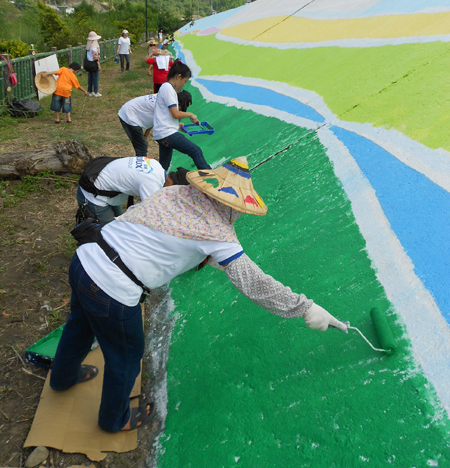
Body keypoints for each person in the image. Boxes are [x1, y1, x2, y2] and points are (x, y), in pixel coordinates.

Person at [49, 156, 345, 433]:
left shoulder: (171, 193)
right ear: (237, 205)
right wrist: (305, 308)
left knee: (80, 324)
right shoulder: (220, 234)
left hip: (85, 259)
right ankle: (115, 420)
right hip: (113, 290)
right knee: (126, 356)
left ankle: (62, 378)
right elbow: (255, 284)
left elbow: (154, 232)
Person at [76, 156, 189, 224]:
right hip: (95, 195)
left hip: (108, 187)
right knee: (108, 231)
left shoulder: (156, 166)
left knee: (120, 220)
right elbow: (152, 215)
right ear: (173, 185)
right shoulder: (151, 183)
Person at [152, 60, 211, 171]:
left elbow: (166, 114)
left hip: (162, 134)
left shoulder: (166, 88)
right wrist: (191, 114)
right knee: (195, 151)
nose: (184, 84)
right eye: (184, 81)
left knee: (163, 166)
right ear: (179, 76)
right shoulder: (168, 89)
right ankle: (210, 178)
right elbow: (175, 113)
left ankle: (158, 184)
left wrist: (176, 125)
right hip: (167, 133)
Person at [118, 91, 190, 156]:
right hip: (129, 115)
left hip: (128, 110)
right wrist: (189, 116)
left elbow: (155, 120)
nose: (179, 110)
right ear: (178, 103)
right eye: (181, 108)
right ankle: (140, 168)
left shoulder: (166, 98)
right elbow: (163, 125)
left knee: (142, 146)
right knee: (142, 148)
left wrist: (145, 136)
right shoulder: (165, 105)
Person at [85, 31, 102, 97]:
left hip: (89, 64)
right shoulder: (94, 47)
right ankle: (96, 91)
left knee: (90, 78)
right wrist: (98, 64)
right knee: (95, 78)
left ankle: (90, 91)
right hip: (94, 64)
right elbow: (95, 57)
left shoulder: (88, 46)